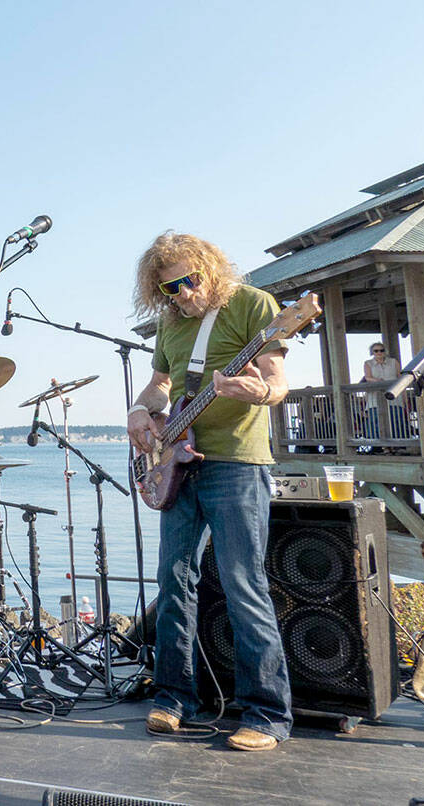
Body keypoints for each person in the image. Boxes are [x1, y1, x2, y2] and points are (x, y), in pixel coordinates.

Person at [126, 232, 292, 752]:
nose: (180, 293)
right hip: (178, 463)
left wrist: (256, 391)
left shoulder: (254, 305)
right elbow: (160, 387)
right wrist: (139, 408)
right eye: (168, 287)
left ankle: (266, 711)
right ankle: (174, 697)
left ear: (209, 268)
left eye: (187, 280)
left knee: (244, 583)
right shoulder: (172, 324)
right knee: (173, 581)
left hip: (237, 463)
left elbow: (278, 382)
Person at [363, 341, 408, 441]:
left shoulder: (393, 362)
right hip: (375, 398)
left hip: (394, 397)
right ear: (372, 352)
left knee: (396, 421)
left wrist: (405, 398)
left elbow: (400, 377)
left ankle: (398, 445)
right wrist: (378, 381)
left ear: (385, 351)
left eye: (381, 350)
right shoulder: (368, 363)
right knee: (376, 422)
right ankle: (380, 447)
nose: (379, 353)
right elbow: (368, 377)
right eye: (376, 351)